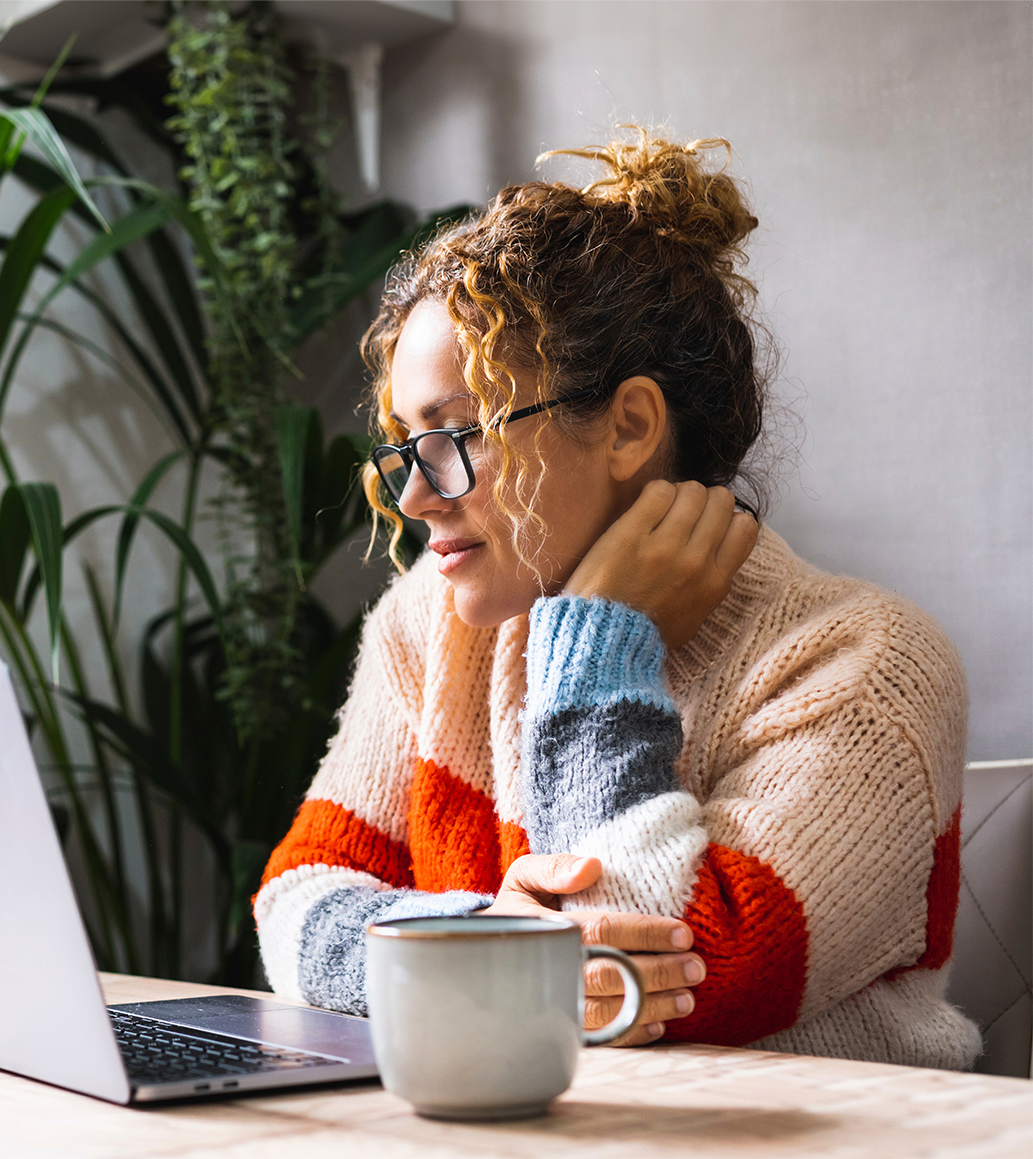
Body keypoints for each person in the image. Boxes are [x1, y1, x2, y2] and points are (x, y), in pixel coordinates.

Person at [254, 130, 980, 1070]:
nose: (414, 495)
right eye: (404, 446)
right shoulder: (426, 629)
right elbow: (294, 897)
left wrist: (598, 645)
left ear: (631, 425)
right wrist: (487, 937)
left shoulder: (865, 662)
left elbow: (649, 991)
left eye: (457, 434)